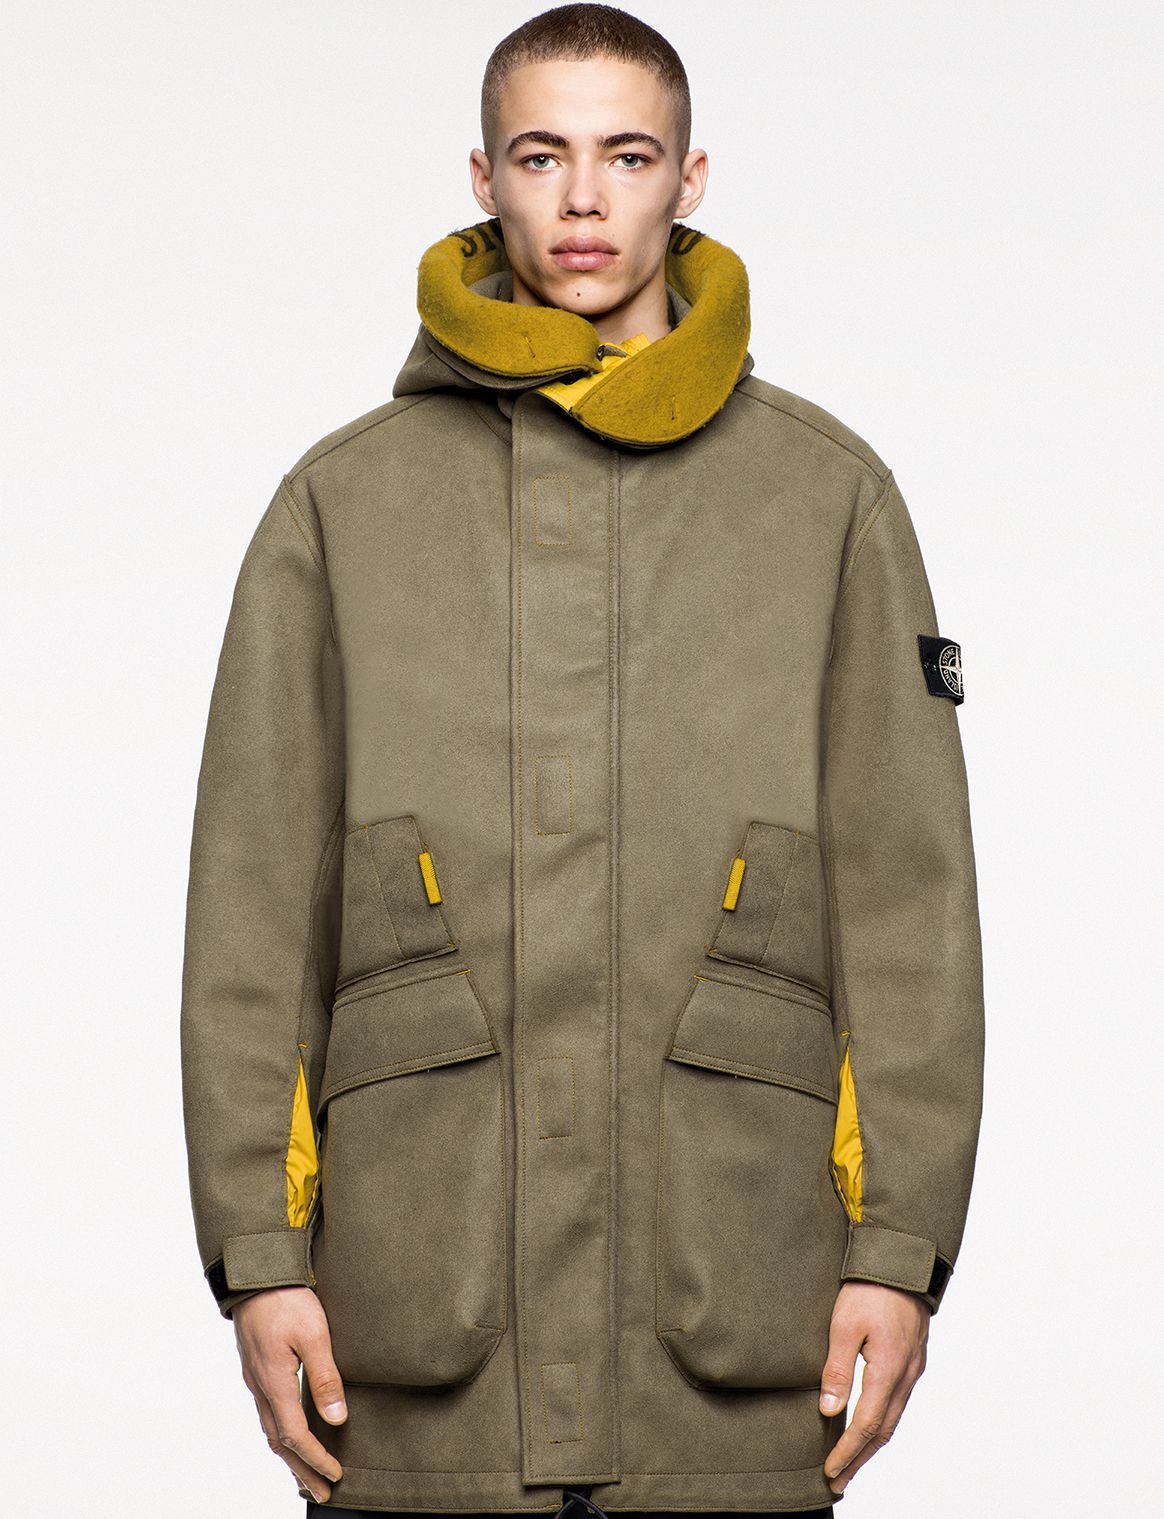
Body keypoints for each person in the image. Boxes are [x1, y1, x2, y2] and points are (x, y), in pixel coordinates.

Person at [179, 6, 985, 1516]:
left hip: (733, 1302)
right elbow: (253, 910)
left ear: (691, 177)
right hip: (417, 1319)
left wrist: (901, 1248)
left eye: (627, 155)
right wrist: (257, 1253)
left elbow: (909, 906)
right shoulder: (340, 507)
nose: (584, 200)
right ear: (485, 177)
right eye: (543, 156)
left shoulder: (827, 501)